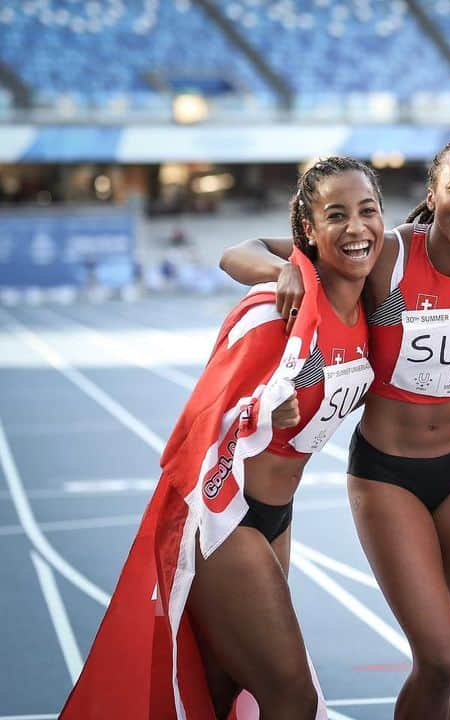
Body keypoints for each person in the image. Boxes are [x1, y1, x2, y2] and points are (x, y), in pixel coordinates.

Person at [61, 156, 384, 720]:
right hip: (223, 517)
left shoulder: (374, 298)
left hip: (276, 521)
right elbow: (197, 427)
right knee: (291, 697)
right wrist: (257, 410)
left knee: (223, 691)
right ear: (308, 231)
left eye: (368, 211)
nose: (356, 228)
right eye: (337, 215)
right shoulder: (275, 316)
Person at [219, 138, 450, 720]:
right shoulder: (385, 254)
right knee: (439, 657)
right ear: (431, 193)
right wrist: (288, 271)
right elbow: (239, 251)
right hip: (390, 476)